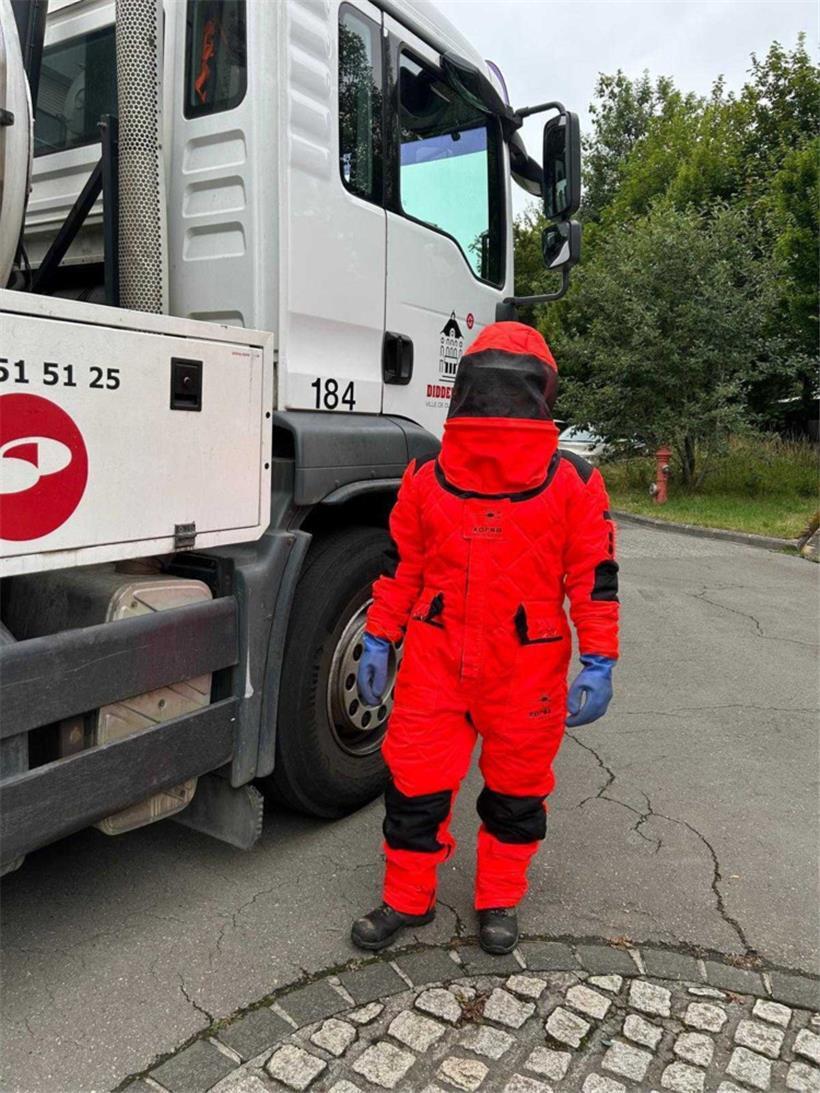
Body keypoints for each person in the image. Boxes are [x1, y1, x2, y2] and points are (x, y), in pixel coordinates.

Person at [351, 321, 619, 955]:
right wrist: (380, 635)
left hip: (509, 664)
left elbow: (592, 576)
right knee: (435, 786)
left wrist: (602, 655)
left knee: (504, 792)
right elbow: (403, 567)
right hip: (458, 661)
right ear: (545, 393)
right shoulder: (431, 479)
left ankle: (487, 897)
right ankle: (418, 899)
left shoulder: (565, 483)